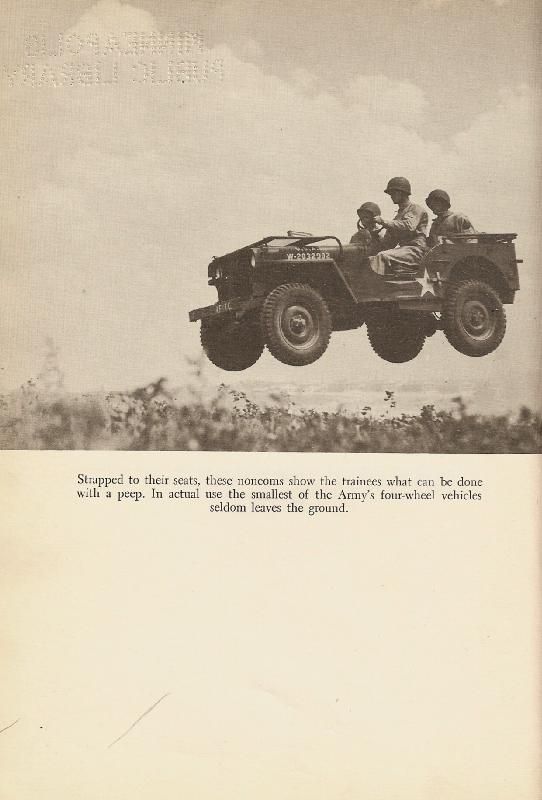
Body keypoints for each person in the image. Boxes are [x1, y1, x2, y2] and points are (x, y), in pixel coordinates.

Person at [369, 177, 428, 276]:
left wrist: (383, 222)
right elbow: (389, 244)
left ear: (402, 193)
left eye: (393, 193)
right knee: (372, 258)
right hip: (405, 251)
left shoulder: (416, 209)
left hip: (416, 251)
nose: (391, 196)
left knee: (382, 256)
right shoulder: (397, 217)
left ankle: (377, 288)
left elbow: (409, 226)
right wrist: (375, 235)